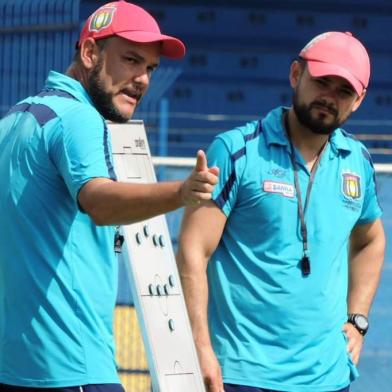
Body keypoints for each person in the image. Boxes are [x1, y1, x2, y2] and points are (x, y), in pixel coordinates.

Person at [0, 1, 218, 391]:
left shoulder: (15, 118)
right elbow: (99, 202)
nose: (143, 79)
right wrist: (181, 192)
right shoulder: (78, 118)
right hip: (72, 367)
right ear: (89, 53)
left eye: (150, 68)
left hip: (15, 368)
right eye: (131, 60)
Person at [177, 31, 385, 392]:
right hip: (241, 376)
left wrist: (358, 320)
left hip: (328, 379)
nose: (329, 97)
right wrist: (201, 348)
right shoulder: (236, 150)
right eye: (322, 81)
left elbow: (371, 241)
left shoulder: (358, 162)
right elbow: (194, 252)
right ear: (295, 75)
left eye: (344, 90)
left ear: (359, 100)